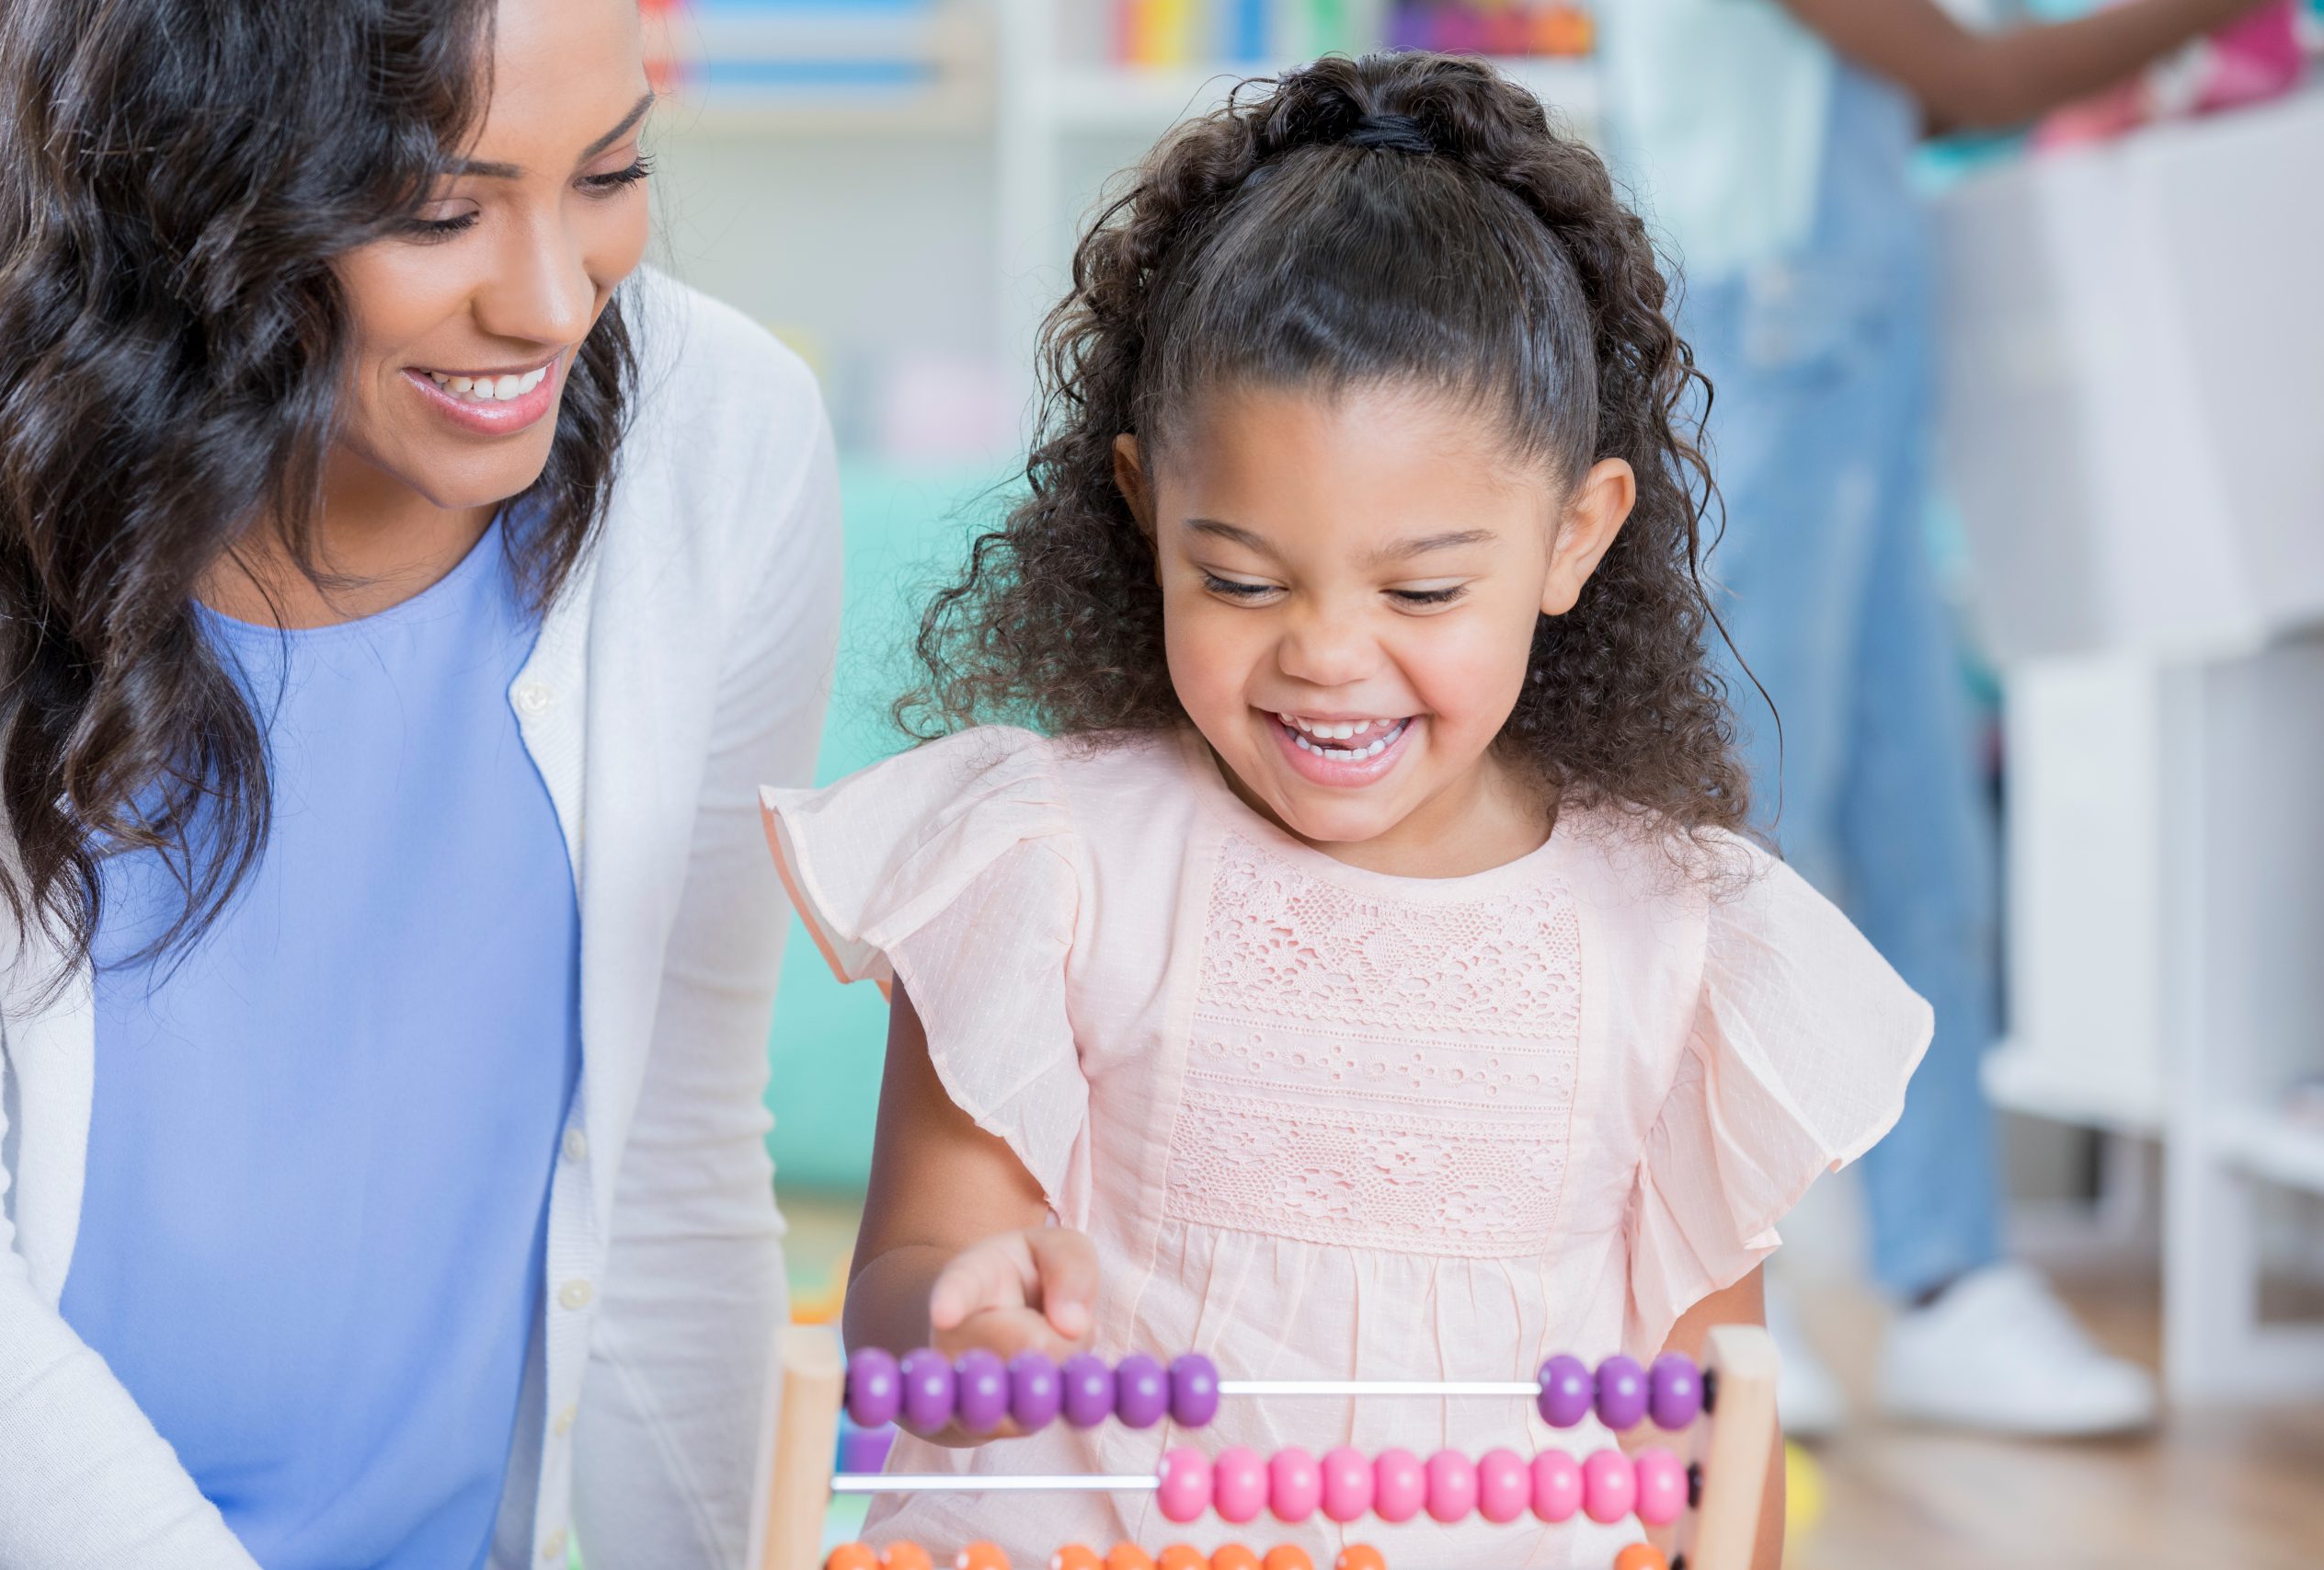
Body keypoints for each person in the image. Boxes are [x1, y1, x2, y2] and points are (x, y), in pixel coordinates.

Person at [762, 52, 1927, 1570]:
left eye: (1423, 589)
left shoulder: (1675, 940)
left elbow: (1714, 1419)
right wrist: (960, 1312)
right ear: (1141, 507)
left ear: (1578, 536)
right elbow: (907, 1274)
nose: (1323, 654)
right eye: (1239, 580)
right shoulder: (1049, 866)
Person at [0, 1, 838, 1566]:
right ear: (193, 181)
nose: (552, 302)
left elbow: (673, 1154)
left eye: (611, 171)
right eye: (441, 209)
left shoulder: (723, 446)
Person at [1599, 0, 2270, 1438]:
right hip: (1770, 343)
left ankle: (1948, 1274)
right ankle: (1699, 1292)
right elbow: (1971, 76)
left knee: (1922, 845)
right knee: (1733, 831)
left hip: (1860, 355)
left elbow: (1945, 91)